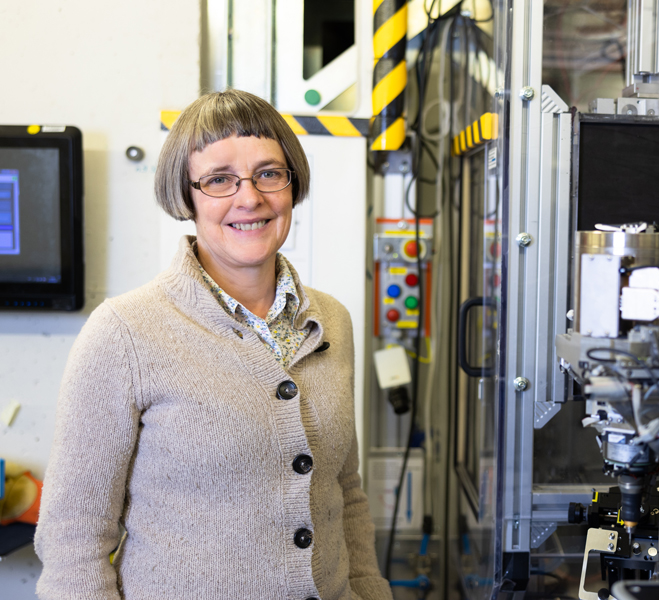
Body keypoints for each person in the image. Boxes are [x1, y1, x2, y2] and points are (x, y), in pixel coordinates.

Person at [34, 89, 391, 600]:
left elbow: (344, 494)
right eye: (219, 180)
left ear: (292, 185)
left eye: (269, 173)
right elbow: (73, 540)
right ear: (187, 196)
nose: (250, 199)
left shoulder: (331, 320)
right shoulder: (125, 333)